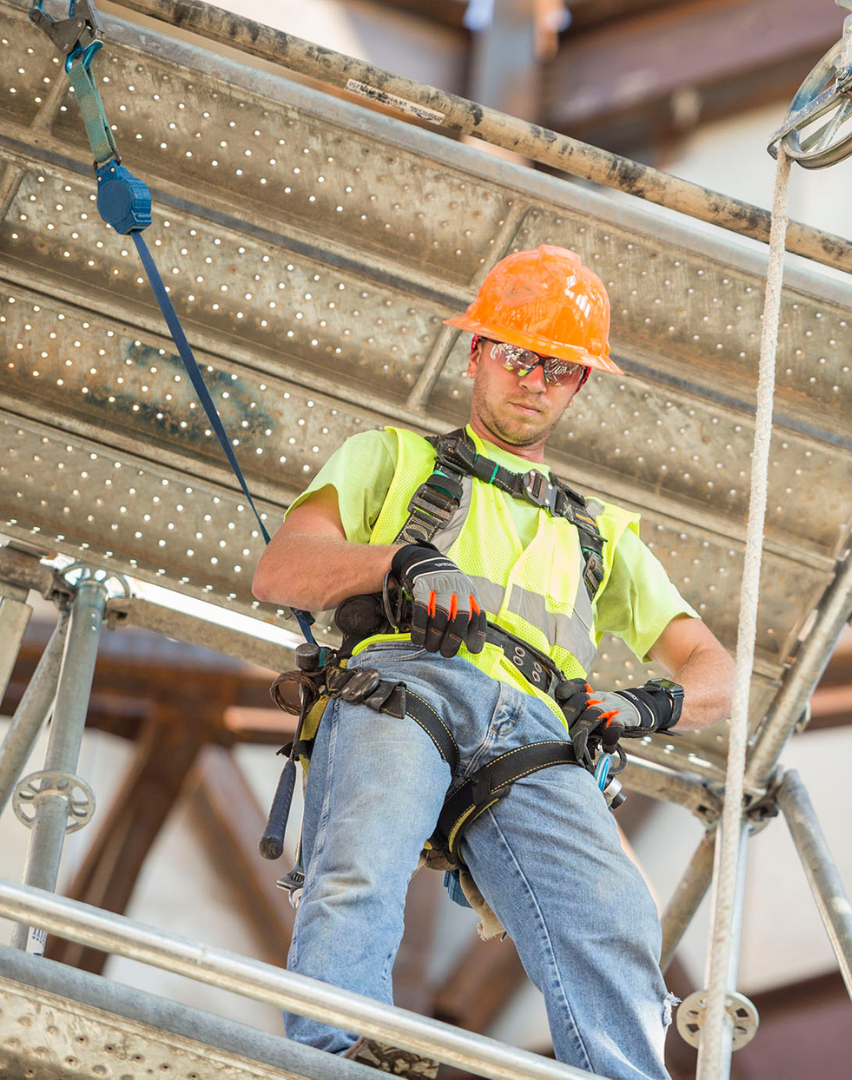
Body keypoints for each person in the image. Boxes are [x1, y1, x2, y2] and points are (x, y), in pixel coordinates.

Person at [252, 245, 734, 1080]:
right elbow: (282, 569)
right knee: (361, 862)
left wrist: (645, 706)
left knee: (615, 918)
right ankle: (335, 1057)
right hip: (407, 687)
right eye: (516, 355)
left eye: (558, 367)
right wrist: (397, 562)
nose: (534, 380)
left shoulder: (598, 532)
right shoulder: (393, 459)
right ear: (477, 354)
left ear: (579, 385)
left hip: (539, 741)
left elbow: (714, 670)